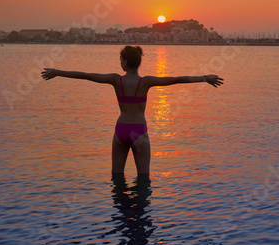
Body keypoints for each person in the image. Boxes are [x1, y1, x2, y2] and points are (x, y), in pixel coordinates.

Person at [41, 46, 223, 178]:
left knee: (117, 177)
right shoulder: (146, 82)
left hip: (120, 131)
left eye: (121, 60)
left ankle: (120, 222)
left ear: (125, 62)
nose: (120, 63)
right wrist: (205, 78)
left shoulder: (115, 79)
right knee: (143, 178)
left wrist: (57, 72)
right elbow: (177, 79)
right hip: (139, 132)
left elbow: (85, 75)